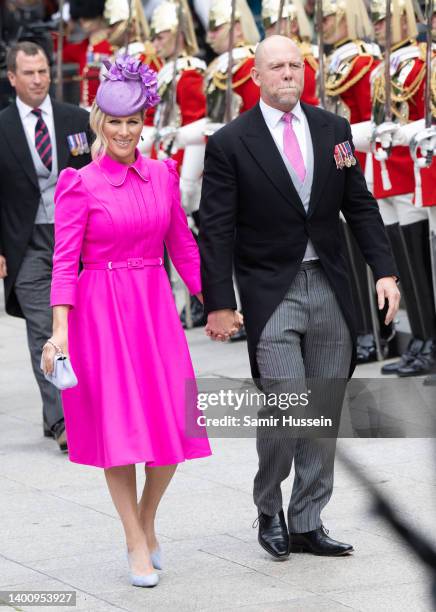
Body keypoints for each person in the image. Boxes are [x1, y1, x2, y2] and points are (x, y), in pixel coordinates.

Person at [199, 35, 400, 560]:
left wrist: (385, 271)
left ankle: (308, 519)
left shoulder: (332, 130)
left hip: (331, 284)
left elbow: (360, 206)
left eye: (296, 66)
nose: (289, 74)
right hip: (272, 289)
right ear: (257, 77)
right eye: (277, 67)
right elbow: (216, 229)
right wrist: (219, 302)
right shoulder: (230, 143)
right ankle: (269, 507)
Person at [41, 53, 212, 587]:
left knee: (172, 429)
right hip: (99, 314)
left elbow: (183, 247)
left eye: (131, 122)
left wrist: (221, 301)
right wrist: (61, 328)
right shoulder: (79, 183)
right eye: (113, 122)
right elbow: (64, 261)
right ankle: (134, 541)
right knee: (119, 432)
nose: (122, 131)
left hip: (155, 310)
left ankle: (147, 519)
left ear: (144, 124)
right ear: (99, 123)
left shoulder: (162, 175)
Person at [0, 41, 91, 452]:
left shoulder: (77, 119)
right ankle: (61, 420)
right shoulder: (1, 127)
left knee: (80, 323)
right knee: (44, 328)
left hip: (77, 238)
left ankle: (74, 407)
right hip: (26, 241)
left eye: (43, 72)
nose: (38, 80)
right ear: (12, 78)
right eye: (29, 73)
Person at [262, 0, 319, 106]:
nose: (268, 29)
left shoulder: (309, 57)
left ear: (293, 25)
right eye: (265, 23)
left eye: (273, 23)